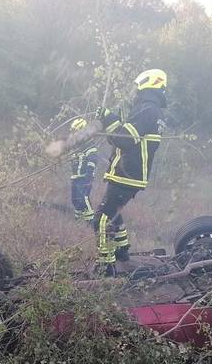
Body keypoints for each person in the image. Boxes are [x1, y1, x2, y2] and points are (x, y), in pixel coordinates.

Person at [94, 69, 167, 275]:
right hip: (131, 174)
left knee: (100, 218)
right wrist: (114, 120)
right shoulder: (152, 110)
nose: (134, 90)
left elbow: (122, 139)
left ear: (146, 84)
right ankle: (122, 250)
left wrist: (109, 119)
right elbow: (125, 135)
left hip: (127, 174)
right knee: (114, 213)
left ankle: (105, 266)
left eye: (137, 86)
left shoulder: (147, 109)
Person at [68, 118, 98, 222]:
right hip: (76, 178)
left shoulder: (89, 145)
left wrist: (88, 177)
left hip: (84, 178)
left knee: (83, 199)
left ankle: (91, 222)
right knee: (75, 200)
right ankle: (78, 221)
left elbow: (93, 160)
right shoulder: (77, 146)